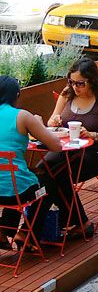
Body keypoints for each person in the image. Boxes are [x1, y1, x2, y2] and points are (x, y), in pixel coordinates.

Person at [41, 57, 98, 239]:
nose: (75, 87)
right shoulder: (67, 93)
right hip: (68, 148)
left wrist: (92, 134)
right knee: (42, 171)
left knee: (59, 175)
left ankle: (31, 229)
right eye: (71, 82)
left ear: (92, 81)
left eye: (80, 83)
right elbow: (52, 120)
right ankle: (74, 222)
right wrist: (53, 122)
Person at [0, 76, 61, 250]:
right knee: (47, 186)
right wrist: (38, 123)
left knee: (20, 179)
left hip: (8, 186)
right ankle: (27, 233)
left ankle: (3, 231)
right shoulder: (22, 116)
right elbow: (55, 146)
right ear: (17, 95)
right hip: (15, 191)